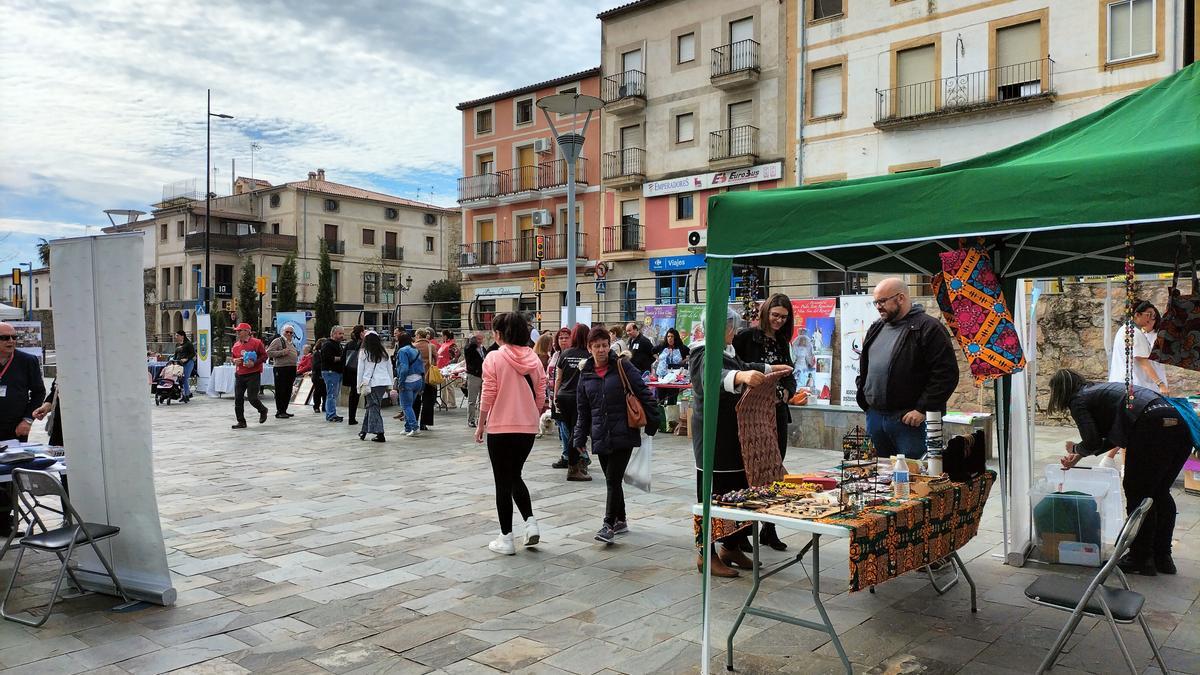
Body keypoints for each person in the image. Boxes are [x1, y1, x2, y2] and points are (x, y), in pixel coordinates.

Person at [1050, 369, 1191, 576]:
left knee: (1138, 493)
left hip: (1150, 428)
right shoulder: (1101, 391)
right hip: (1178, 425)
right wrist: (1077, 456)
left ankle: (1141, 558)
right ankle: (1162, 558)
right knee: (1160, 493)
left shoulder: (1078, 400)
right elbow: (1113, 437)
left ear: (1060, 391)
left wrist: (1077, 449)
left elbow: (1092, 441)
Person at [690, 308, 792, 577]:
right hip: (714, 440)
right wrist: (740, 378)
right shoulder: (702, 353)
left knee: (740, 493)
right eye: (731, 327)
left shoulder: (726, 351)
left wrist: (770, 369)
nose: (734, 332)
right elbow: (712, 378)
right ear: (722, 328)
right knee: (713, 499)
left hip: (734, 439)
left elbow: (744, 367)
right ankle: (706, 554)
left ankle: (731, 546)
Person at [855, 277, 959, 459]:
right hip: (876, 417)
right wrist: (865, 398)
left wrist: (922, 409)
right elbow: (865, 366)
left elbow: (946, 374)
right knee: (880, 478)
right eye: (875, 302)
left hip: (910, 421)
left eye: (882, 301)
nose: (878, 306)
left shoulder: (928, 328)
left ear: (900, 298)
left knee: (913, 477)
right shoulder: (877, 327)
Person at [575, 327, 659, 544]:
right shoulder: (585, 374)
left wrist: (653, 419)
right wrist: (579, 438)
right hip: (601, 434)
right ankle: (621, 519)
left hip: (624, 432)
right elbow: (583, 410)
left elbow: (642, 391)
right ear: (589, 348)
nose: (602, 349)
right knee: (612, 480)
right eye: (597, 346)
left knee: (612, 479)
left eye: (604, 345)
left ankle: (608, 524)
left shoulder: (622, 365)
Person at [475, 312, 546, 555]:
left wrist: (481, 423)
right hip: (526, 428)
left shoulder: (494, 358)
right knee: (514, 475)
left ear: (500, 334)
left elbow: (489, 393)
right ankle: (530, 521)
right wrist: (531, 415)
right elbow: (541, 393)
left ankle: (506, 537)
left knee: (502, 482)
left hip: (500, 427)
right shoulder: (534, 359)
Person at [733, 293, 798, 552]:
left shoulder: (783, 342)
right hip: (752, 415)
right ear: (765, 313)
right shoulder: (746, 337)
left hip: (777, 412)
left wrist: (786, 393)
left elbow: (791, 375)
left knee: (774, 468)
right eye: (775, 315)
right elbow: (736, 368)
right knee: (750, 469)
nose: (780, 321)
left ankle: (769, 529)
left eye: (784, 317)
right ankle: (743, 530)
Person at [1102, 301, 1168, 470]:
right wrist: (1160, 384)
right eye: (1148, 315)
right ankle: (1125, 466)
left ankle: (1113, 461)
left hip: (1124, 385)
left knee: (1127, 426)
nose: (1151, 318)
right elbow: (1143, 362)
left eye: (1153, 316)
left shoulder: (1125, 330)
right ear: (1137, 314)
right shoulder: (1134, 333)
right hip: (1133, 388)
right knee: (1130, 427)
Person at [0, 321, 46, 536]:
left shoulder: (26, 361)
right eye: (4, 338)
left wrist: (27, 420)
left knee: (9, 476)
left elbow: (38, 393)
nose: (10, 341)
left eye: (13, 337)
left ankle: (5, 521)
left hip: (14, 429)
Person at [552, 323, 592, 481]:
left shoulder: (565, 354)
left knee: (571, 432)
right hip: (579, 398)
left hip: (563, 397)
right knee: (577, 433)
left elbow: (558, 378)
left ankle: (575, 463)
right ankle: (573, 468)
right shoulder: (589, 355)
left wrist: (555, 397)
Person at [356, 331, 394, 443]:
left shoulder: (364, 352)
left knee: (373, 407)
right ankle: (364, 431)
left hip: (370, 383)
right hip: (382, 382)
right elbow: (389, 369)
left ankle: (379, 432)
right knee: (372, 406)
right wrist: (390, 384)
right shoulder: (384, 352)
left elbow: (360, 371)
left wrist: (359, 386)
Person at [230, 322, 269, 429]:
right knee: (238, 399)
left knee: (252, 398)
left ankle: (263, 410)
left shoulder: (256, 343)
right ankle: (241, 421)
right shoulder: (236, 344)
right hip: (240, 374)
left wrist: (254, 363)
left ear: (247, 332)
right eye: (237, 331)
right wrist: (235, 361)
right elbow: (232, 357)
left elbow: (264, 356)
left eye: (239, 331)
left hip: (253, 374)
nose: (237, 333)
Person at [547, 327, 572, 469]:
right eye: (560, 338)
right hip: (553, 394)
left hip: (564, 396)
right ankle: (566, 453)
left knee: (565, 426)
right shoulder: (556, 355)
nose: (563, 340)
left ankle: (568, 455)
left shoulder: (572, 354)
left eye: (566, 337)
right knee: (560, 426)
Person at [393, 332, 426, 437]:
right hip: (418, 380)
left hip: (408, 381)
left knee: (406, 406)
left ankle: (414, 427)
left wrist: (400, 383)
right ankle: (407, 428)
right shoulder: (415, 350)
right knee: (410, 405)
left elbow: (404, 368)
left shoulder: (402, 351)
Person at [266, 325, 299, 419]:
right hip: (281, 368)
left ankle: (284, 410)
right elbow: (268, 352)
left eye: (291, 332)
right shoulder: (278, 341)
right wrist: (282, 352)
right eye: (287, 332)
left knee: (288, 390)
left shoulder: (292, 342)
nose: (288, 334)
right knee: (281, 390)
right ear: (283, 332)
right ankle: (279, 411)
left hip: (291, 368)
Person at [652, 328, 690, 405]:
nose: (670, 338)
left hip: (674, 378)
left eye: (672, 336)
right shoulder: (662, 346)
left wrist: (683, 361)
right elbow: (653, 351)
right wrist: (658, 359)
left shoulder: (681, 347)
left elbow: (690, 355)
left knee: (672, 400)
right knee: (660, 399)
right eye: (668, 336)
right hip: (662, 377)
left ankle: (671, 416)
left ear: (675, 337)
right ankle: (661, 415)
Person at [320, 326, 346, 422]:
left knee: (333, 394)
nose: (341, 336)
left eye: (342, 334)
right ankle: (331, 415)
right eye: (340, 334)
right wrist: (341, 358)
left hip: (337, 372)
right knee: (331, 394)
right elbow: (328, 358)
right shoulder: (328, 344)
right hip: (330, 372)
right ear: (333, 334)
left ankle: (332, 413)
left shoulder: (338, 344)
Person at [413, 328, 437, 430]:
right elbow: (435, 360)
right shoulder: (431, 346)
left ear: (418, 335)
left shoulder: (413, 347)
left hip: (416, 376)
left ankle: (414, 420)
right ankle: (424, 422)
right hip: (428, 376)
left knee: (415, 400)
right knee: (428, 401)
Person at [342, 325, 364, 426]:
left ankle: (351, 417)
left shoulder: (349, 344)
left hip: (350, 372)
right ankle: (353, 418)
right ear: (361, 333)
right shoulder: (363, 344)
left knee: (353, 395)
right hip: (359, 372)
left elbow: (343, 359)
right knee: (357, 394)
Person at [464, 331, 487, 428]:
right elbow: (469, 356)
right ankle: (471, 419)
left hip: (484, 375)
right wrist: (472, 343)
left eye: (481, 339)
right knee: (472, 400)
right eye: (477, 339)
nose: (479, 341)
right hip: (474, 375)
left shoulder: (483, 349)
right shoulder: (470, 348)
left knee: (482, 399)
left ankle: (481, 419)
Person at [437, 330, 460, 409]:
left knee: (449, 385)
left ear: (445, 336)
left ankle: (452, 402)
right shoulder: (444, 344)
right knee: (443, 386)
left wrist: (450, 363)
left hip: (448, 368)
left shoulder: (451, 344)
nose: (441, 337)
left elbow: (457, 354)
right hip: (442, 367)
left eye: (442, 335)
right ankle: (444, 402)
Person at [172, 330, 196, 402]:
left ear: (182, 336)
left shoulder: (188, 344)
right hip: (179, 363)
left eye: (177, 335)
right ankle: (185, 394)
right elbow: (175, 355)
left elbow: (193, 354)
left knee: (184, 378)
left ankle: (186, 395)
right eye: (176, 335)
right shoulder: (177, 345)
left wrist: (186, 358)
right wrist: (174, 360)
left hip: (188, 363)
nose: (176, 337)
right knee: (180, 378)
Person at [310, 338, 326, 413]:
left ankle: (324, 406)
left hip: (323, 375)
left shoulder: (324, 353)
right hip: (317, 375)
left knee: (325, 392)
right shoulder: (316, 353)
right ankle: (316, 406)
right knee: (318, 391)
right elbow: (316, 365)